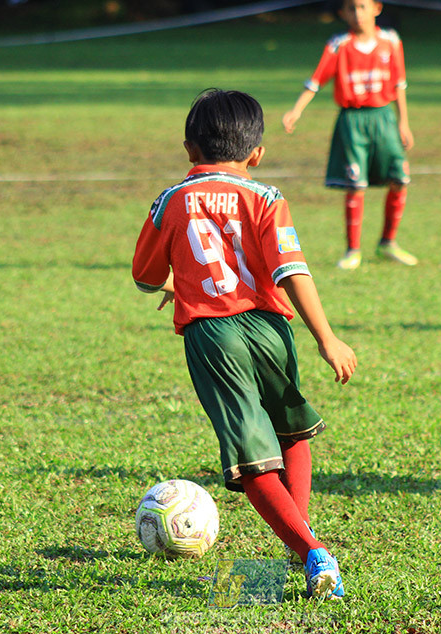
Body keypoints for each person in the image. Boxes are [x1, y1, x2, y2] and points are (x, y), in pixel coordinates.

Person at [132, 89, 358, 600]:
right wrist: (327, 338)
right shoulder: (267, 197)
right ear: (256, 154)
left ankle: (312, 552)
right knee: (292, 432)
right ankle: (300, 542)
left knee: (251, 459)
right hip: (269, 326)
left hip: (213, 337)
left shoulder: (170, 201)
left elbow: (145, 277)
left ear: (189, 149)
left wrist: (181, 286)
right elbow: (292, 270)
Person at [283, 0, 417, 271]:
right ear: (343, 13)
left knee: (400, 178)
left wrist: (404, 122)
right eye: (351, 8)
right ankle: (352, 250)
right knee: (355, 184)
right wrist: (297, 110)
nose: (357, 14)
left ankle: (388, 242)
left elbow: (399, 84)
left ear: (376, 8)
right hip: (352, 120)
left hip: (384, 117)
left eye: (362, 7)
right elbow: (316, 80)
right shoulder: (339, 45)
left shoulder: (391, 41)